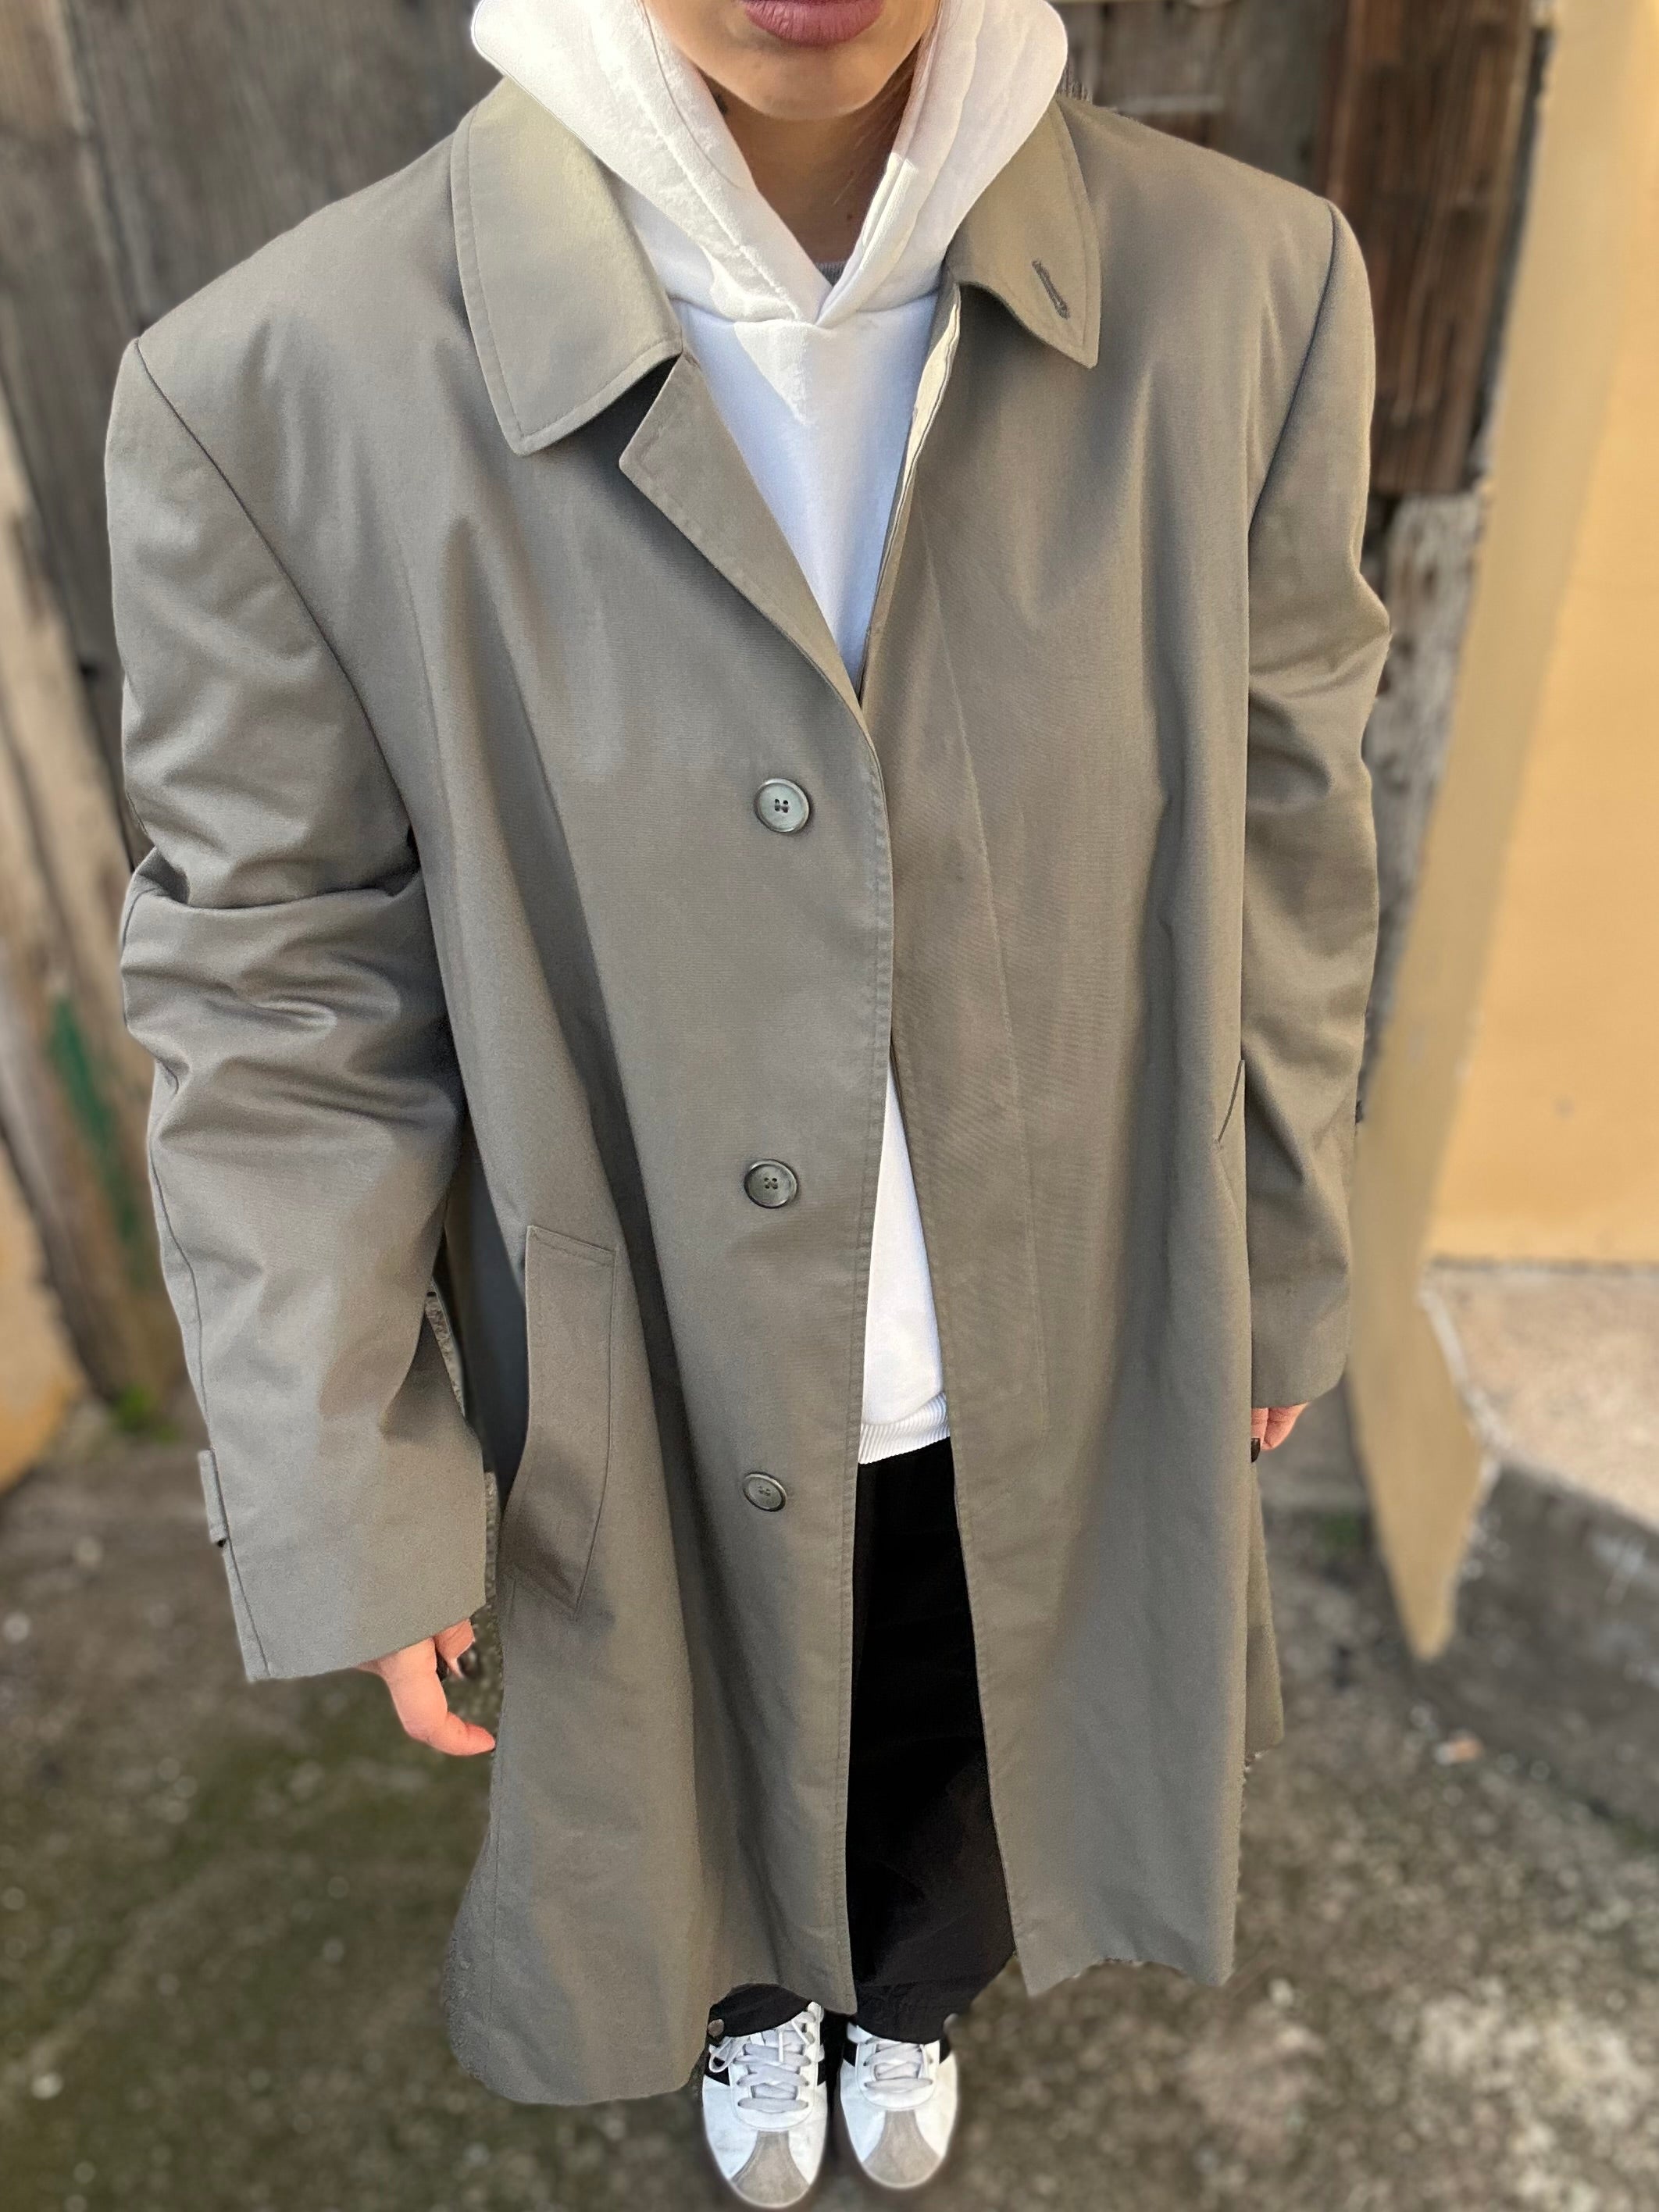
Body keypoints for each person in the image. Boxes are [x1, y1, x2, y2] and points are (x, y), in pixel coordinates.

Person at [105, 0, 1387, 2199]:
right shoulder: (272, 385)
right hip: (637, 1364)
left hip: (1063, 1315)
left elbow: (1290, 812)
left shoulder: (1248, 287)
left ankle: (906, 2003)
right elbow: (276, 977)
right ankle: (757, 2013)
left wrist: (1277, 1241)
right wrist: (344, 1465)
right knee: (687, 1754)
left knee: (967, 1745)